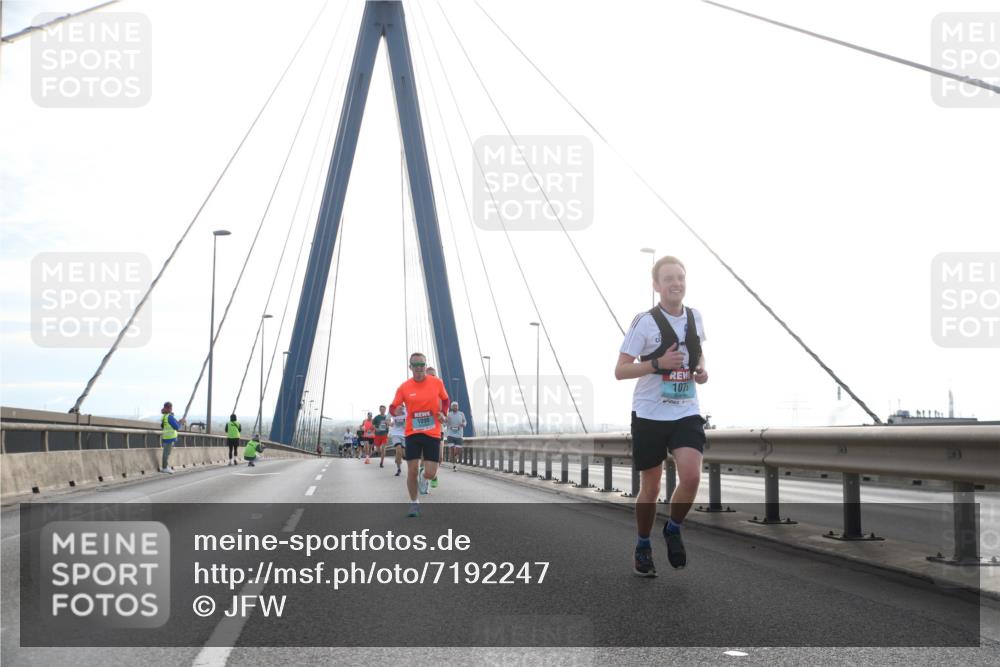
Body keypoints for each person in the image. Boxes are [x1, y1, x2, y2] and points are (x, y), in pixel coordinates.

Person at [614, 255, 708, 577]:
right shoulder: (645, 322)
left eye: (680, 277)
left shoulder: (695, 316)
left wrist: (701, 369)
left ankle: (673, 527)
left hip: (686, 411)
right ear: (656, 285)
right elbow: (620, 370)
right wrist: (657, 364)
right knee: (651, 488)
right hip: (650, 413)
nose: (675, 283)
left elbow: (698, 352)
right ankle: (643, 544)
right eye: (668, 279)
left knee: (691, 477)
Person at [390, 352, 449, 517]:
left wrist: (443, 413)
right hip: (413, 433)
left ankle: (425, 477)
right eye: (415, 365)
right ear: (410, 367)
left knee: (431, 473)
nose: (419, 368)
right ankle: (414, 503)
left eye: (422, 365)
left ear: (425, 365)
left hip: (432, 432)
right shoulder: (404, 387)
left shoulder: (436, 383)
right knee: (412, 470)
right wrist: (396, 411)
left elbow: (445, 399)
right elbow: (392, 407)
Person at [160, 401, 183, 473]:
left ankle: (165, 466)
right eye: (170, 408)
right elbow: (177, 427)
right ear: (169, 408)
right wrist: (181, 423)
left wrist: (178, 422)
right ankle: (164, 468)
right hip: (169, 438)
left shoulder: (164, 416)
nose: (171, 409)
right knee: (166, 453)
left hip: (166, 437)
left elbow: (163, 426)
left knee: (166, 453)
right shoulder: (169, 417)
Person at [445, 401, 466, 471]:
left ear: (458, 407)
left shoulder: (461, 414)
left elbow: (465, 421)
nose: (455, 407)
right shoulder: (449, 414)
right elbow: (445, 424)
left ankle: (454, 458)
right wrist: (446, 421)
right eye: (453, 406)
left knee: (458, 451)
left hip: (459, 434)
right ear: (451, 407)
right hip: (450, 434)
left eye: (456, 406)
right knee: (452, 449)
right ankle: (454, 465)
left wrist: (463, 424)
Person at [388, 404, 406, 476]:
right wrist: (390, 423)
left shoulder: (406, 410)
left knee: (403, 454)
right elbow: (387, 420)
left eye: (401, 407)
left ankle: (398, 457)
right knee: (398, 449)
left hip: (404, 435)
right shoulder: (392, 410)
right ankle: (399, 468)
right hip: (395, 433)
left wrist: (407, 423)